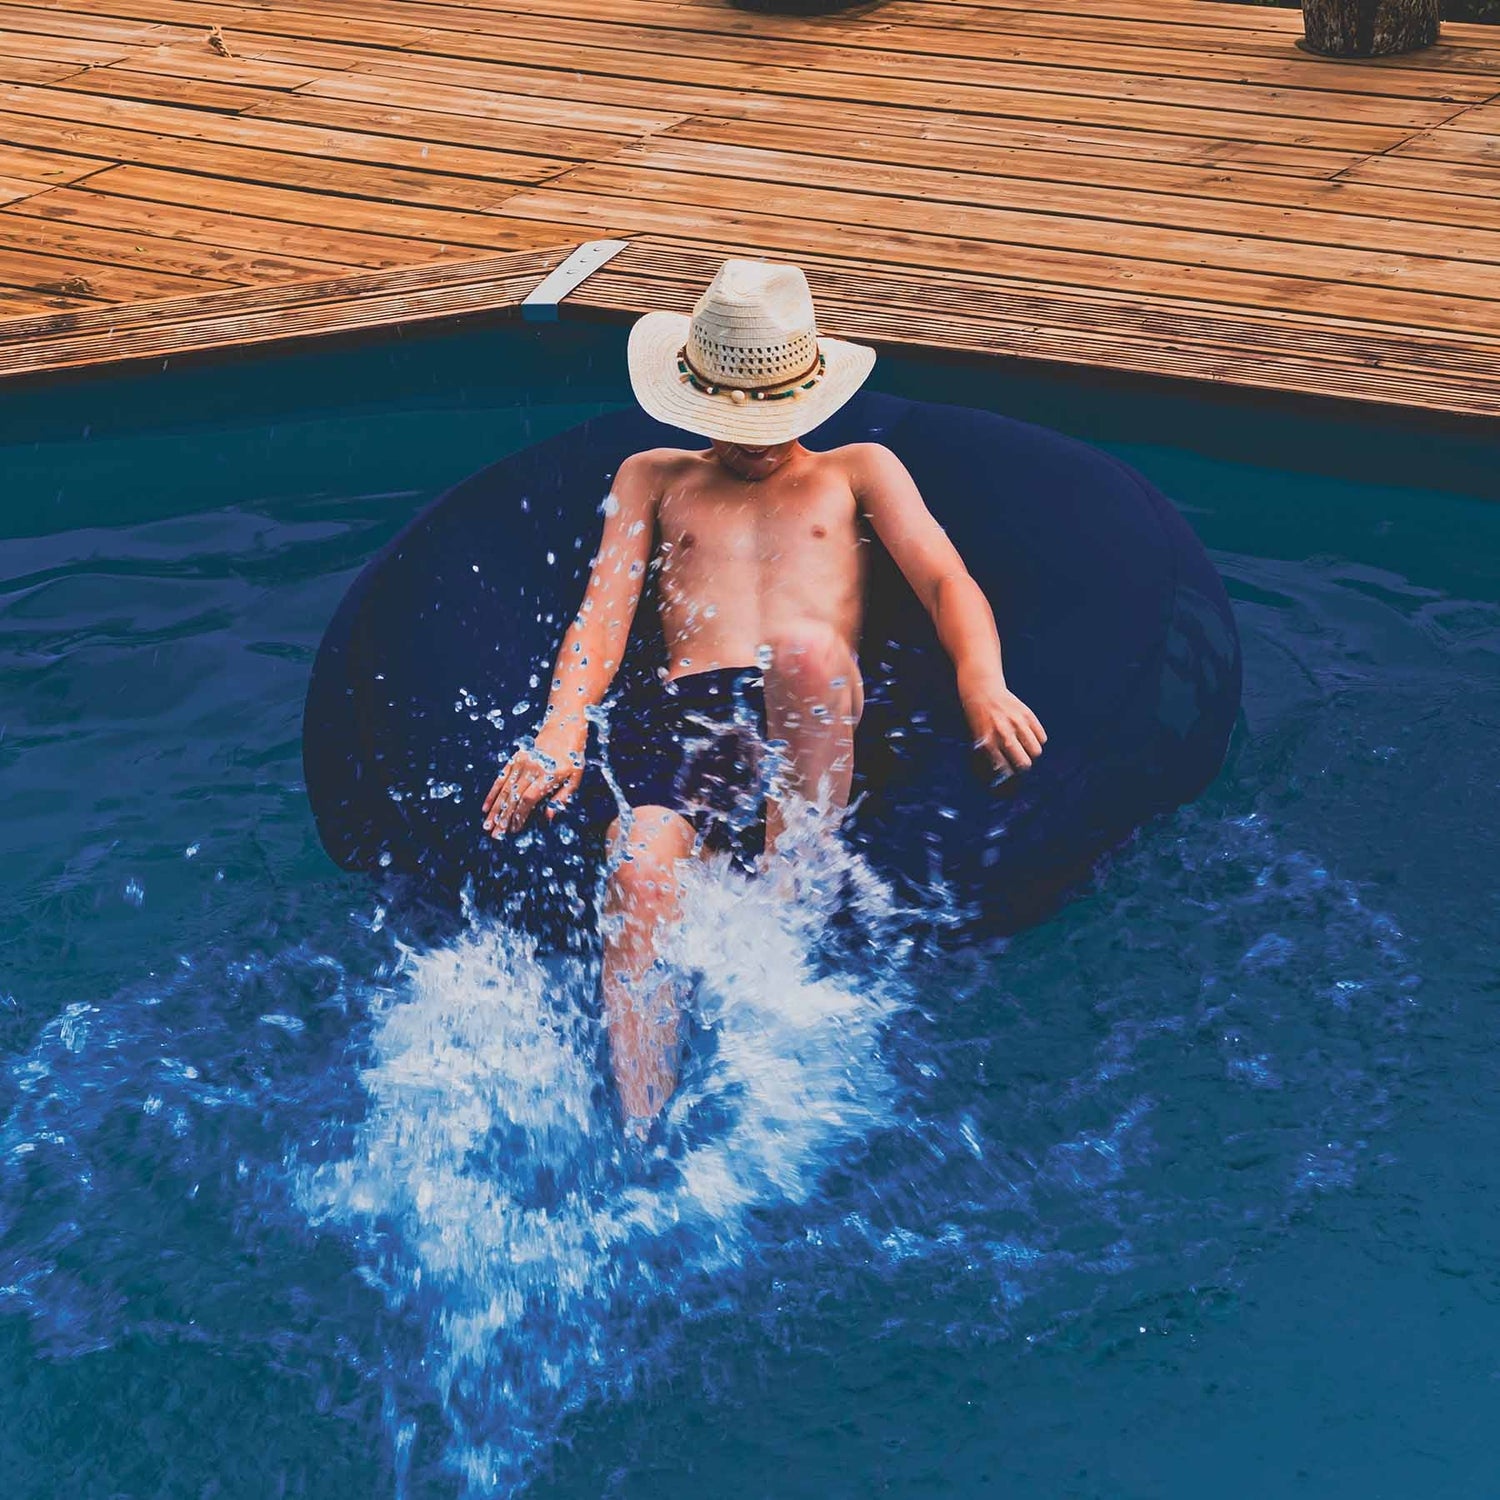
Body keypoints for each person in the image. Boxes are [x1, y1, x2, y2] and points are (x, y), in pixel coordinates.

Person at [482, 259, 1044, 1131]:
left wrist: (983, 681)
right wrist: (560, 733)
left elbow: (943, 578)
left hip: (806, 709)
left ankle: (792, 889)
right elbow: (602, 616)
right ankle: (645, 1126)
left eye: (773, 414)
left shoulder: (857, 468)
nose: (755, 439)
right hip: (685, 720)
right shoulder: (655, 476)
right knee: (635, 853)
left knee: (806, 649)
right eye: (734, 417)